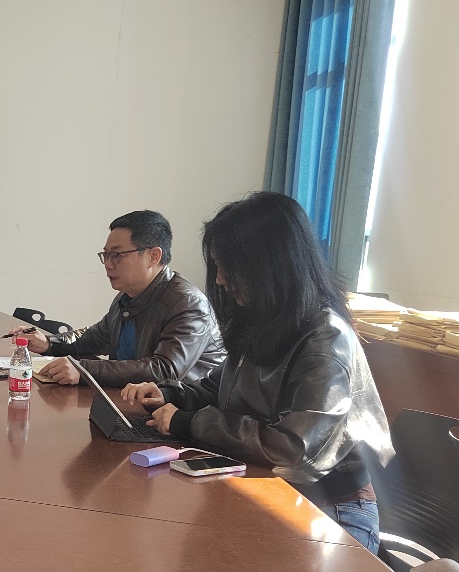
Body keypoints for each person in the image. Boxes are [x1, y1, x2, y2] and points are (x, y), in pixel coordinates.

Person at [121, 191, 393, 553]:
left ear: (268, 265)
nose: (220, 280)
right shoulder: (264, 321)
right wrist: (170, 395)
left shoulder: (326, 339)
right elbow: (218, 388)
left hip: (330, 508)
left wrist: (188, 423)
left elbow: (292, 449)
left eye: (227, 267)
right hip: (267, 487)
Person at [26, 210, 226, 387]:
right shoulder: (127, 298)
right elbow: (94, 338)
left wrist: (84, 370)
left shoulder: (188, 304)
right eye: (106, 255)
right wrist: (49, 344)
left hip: (178, 411)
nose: (108, 264)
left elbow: (165, 370)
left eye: (117, 255)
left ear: (153, 256)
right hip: (131, 401)